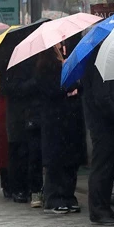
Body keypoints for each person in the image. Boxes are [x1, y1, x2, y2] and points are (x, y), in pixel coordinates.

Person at [83, 46, 114, 225]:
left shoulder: (104, 64)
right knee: (102, 168)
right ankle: (98, 210)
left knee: (108, 168)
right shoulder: (99, 64)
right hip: (104, 125)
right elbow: (102, 98)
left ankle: (105, 207)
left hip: (109, 125)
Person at [38, 44, 86, 215]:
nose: (61, 44)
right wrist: (66, 90)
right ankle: (54, 198)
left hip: (69, 119)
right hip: (55, 120)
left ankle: (68, 195)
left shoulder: (64, 61)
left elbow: (76, 85)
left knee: (70, 161)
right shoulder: (45, 66)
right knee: (56, 161)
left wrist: (74, 86)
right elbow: (50, 90)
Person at [0, 56, 42, 205]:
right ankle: (18, 188)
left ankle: (33, 188)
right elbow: (8, 88)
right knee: (18, 152)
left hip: (33, 113)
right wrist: (32, 83)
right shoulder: (11, 62)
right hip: (17, 115)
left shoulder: (38, 59)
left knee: (33, 154)